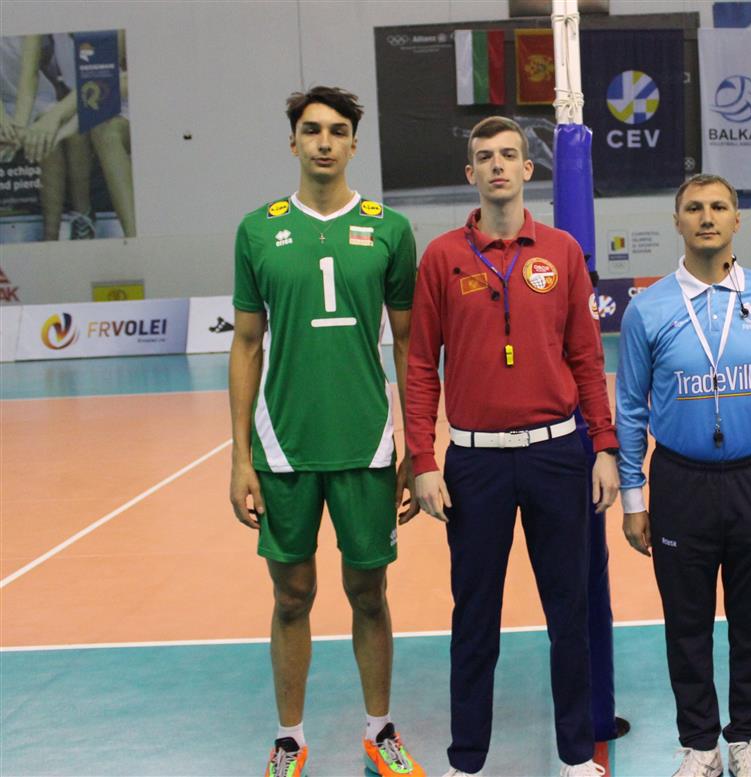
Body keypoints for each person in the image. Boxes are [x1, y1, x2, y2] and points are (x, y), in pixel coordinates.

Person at [406, 115, 619, 777]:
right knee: (475, 619)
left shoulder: (561, 252)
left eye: (508, 155)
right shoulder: (441, 257)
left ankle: (577, 756)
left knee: (569, 613)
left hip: (558, 455)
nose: (497, 165)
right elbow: (420, 366)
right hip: (474, 463)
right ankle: (467, 760)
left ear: (529, 169)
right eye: (484, 157)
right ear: (470, 172)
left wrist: (604, 446)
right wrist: (423, 460)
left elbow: (587, 359)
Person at [228, 85, 425, 777]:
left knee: (369, 594)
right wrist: (240, 457)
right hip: (283, 447)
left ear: (353, 144)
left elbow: (409, 345)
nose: (323, 141)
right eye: (311, 130)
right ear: (293, 142)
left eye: (337, 131)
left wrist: (416, 445)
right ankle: (289, 738)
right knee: (291, 597)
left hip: (366, 444)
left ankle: (380, 731)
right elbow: (246, 343)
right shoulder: (258, 230)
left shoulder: (389, 229)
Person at [615, 173, 751, 777]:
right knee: (687, 624)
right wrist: (634, 498)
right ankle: (699, 745)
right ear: (677, 221)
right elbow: (630, 409)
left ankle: (746, 738)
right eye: (695, 208)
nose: (707, 217)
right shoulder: (647, 309)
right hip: (680, 483)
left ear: (737, 219)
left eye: (720, 207)